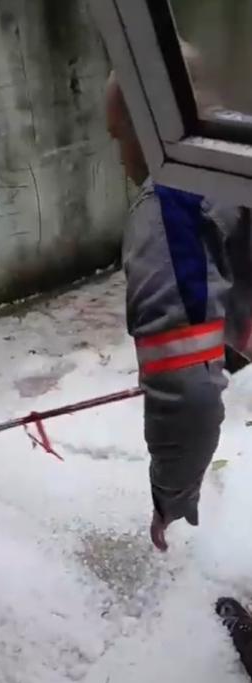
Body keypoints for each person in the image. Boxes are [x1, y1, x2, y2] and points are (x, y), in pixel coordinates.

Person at [105, 67, 252, 554]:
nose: (120, 154)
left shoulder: (173, 202)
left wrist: (171, 494)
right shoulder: (240, 140)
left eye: (116, 137)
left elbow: (186, 390)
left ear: (148, 129)